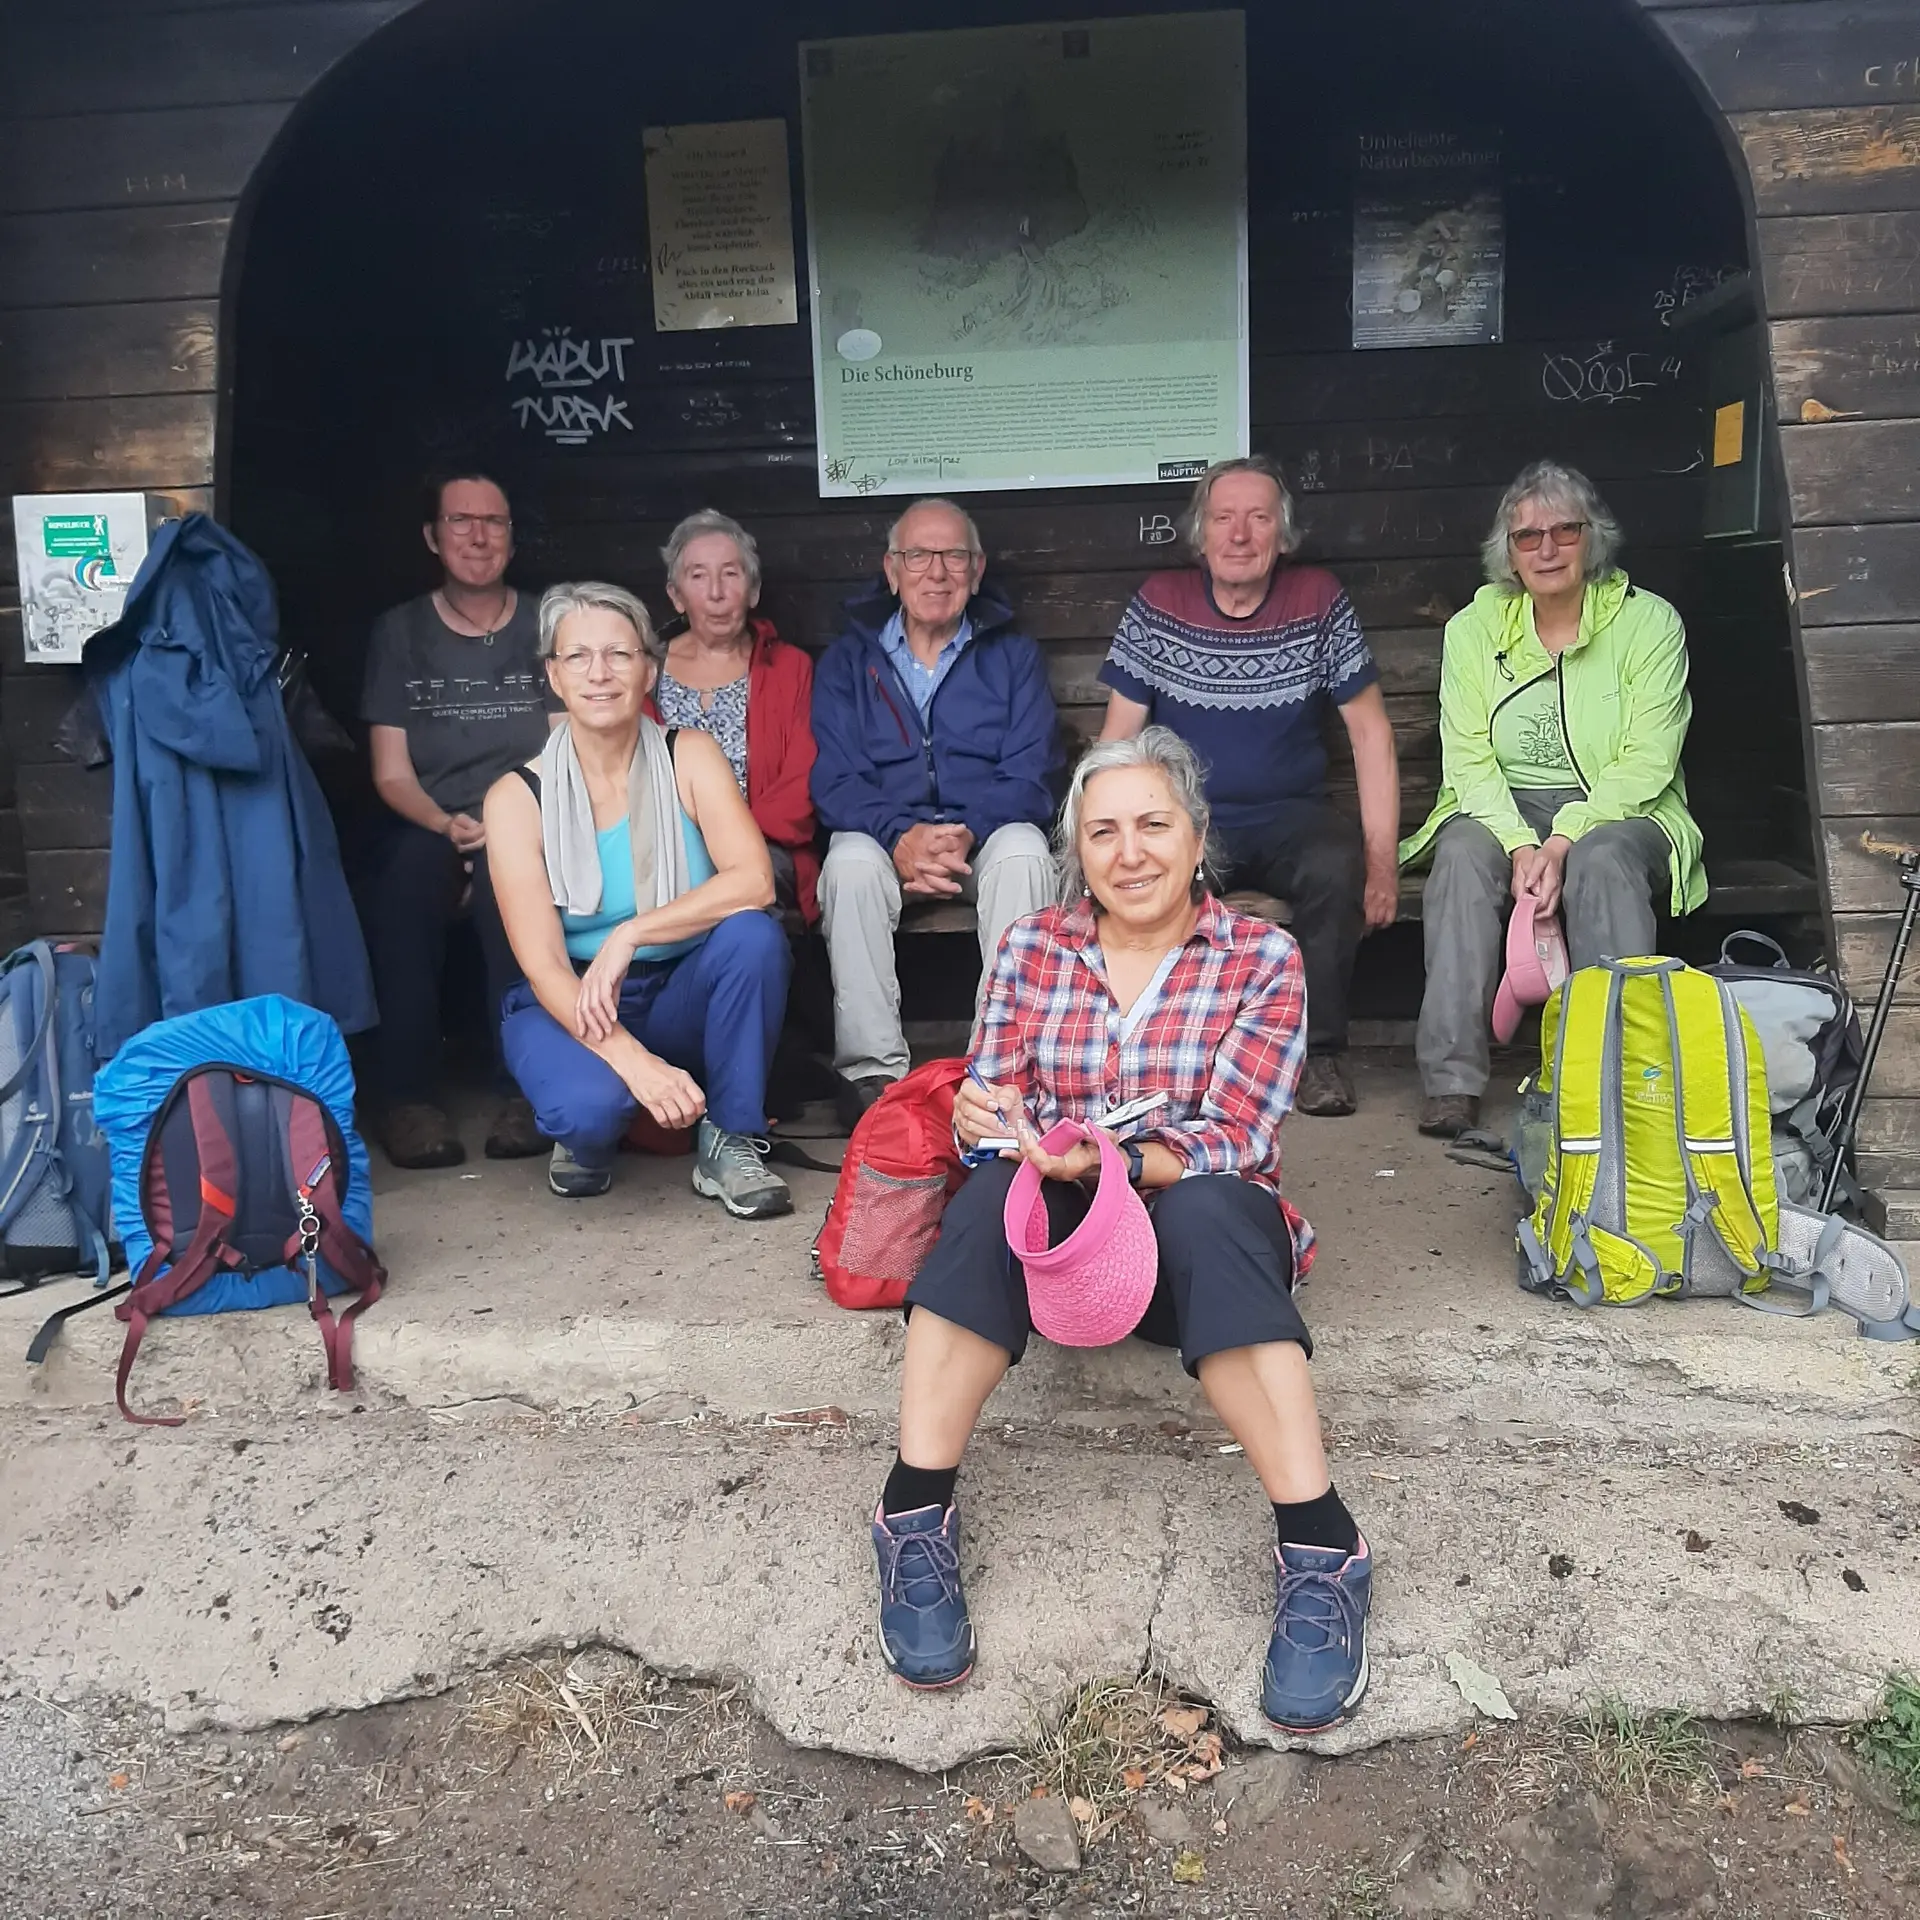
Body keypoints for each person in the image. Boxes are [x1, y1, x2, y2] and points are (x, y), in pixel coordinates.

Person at [868, 727, 1372, 1733]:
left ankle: (1323, 1548)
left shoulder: (1260, 958)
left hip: (1192, 1244)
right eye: (1102, 832)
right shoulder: (1031, 947)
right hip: (1067, 1263)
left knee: (1215, 1208)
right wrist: (983, 1115)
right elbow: (994, 1088)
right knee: (980, 1209)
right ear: (1078, 853)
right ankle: (912, 1513)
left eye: (1153, 825)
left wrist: (1108, 1162)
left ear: (1197, 841)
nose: (1129, 852)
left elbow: (1237, 1133)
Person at [1400, 461, 1705, 1138]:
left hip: (1623, 809)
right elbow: (1468, 753)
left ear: (1591, 536)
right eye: (1526, 536)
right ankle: (1451, 1080)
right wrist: (1516, 842)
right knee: (1458, 858)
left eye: (1563, 531)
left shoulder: (1648, 623)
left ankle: (1616, 1076)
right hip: (1501, 804)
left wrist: (1565, 837)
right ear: (1505, 551)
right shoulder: (1474, 631)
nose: (1545, 549)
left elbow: (1649, 759)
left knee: (1601, 863)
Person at [1097, 456, 1400, 1119]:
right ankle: (1169, 1061)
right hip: (1189, 817)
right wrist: (1105, 841)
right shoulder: (1159, 605)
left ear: (1283, 536)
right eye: (1223, 518)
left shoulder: (1318, 598)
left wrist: (1383, 866)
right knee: (1156, 875)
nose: (1240, 535)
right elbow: (1117, 743)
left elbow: (1372, 734)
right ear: (1200, 534)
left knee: (1334, 864)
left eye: (1259, 518)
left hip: (1291, 814)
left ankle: (1317, 1056)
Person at [483, 583, 795, 1216]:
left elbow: (754, 880)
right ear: (554, 675)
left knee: (754, 935)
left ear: (649, 669)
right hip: (573, 998)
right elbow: (543, 966)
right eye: (578, 658)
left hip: (683, 985)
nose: (600, 674)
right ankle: (588, 1131)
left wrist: (632, 934)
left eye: (620, 655)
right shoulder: (515, 798)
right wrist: (631, 1061)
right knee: (590, 1113)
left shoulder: (691, 755)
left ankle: (731, 1137)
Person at [811, 497, 1059, 1128]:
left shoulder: (1013, 656)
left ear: (977, 571)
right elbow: (835, 779)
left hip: (982, 837)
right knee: (848, 866)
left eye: (954, 556)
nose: (937, 572)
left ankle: (1001, 1070)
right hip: (888, 842)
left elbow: (1031, 773)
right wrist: (901, 837)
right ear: (892, 570)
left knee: (1027, 851)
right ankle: (872, 1074)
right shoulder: (848, 660)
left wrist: (963, 832)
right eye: (919, 555)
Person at [359, 473, 552, 1169]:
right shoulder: (400, 632)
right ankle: (407, 1098)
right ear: (432, 537)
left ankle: (525, 1089)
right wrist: (447, 827)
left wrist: (506, 826)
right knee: (405, 878)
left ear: (512, 536)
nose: (478, 536)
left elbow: (566, 748)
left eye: (493, 522)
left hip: (530, 816)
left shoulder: (545, 622)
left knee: (514, 880)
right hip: (430, 821)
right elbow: (390, 772)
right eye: (461, 522)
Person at [656, 509, 821, 922]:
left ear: (753, 591)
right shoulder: (643, 671)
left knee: (747, 908)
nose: (716, 592)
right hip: (660, 849)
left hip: (763, 847)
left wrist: (728, 839)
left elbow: (802, 785)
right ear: (676, 596)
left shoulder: (789, 668)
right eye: (697, 576)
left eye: (730, 574)